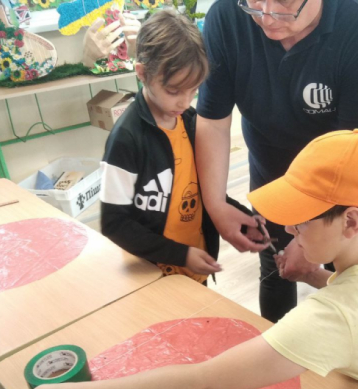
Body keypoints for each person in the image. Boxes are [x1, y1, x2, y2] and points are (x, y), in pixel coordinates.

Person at [17, 130, 358, 389]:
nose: (289, 228)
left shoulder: (332, 320)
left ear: (350, 221)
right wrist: (314, 273)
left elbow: (202, 384)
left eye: (302, 220)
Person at [195, 0, 358, 322]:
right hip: (272, 174)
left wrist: (309, 240)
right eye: (254, 2)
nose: (267, 16)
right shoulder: (226, 16)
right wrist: (215, 205)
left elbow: (355, 151)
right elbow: (213, 120)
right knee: (277, 270)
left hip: (338, 186)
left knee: (346, 280)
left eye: (284, 2)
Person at [99, 10, 256, 284]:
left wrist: (243, 218)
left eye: (194, 90)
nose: (185, 101)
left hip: (194, 271)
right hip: (150, 278)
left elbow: (200, 190)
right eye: (174, 91)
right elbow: (114, 223)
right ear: (142, 73)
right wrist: (180, 255)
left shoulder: (191, 121)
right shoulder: (126, 139)